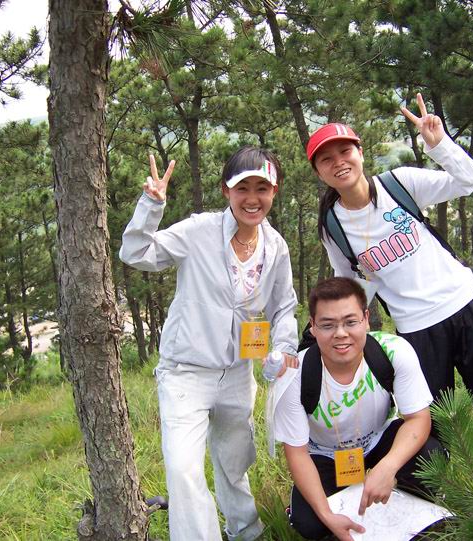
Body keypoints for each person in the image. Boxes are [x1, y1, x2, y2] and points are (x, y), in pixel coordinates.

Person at [305, 94, 473, 434]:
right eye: (326, 159)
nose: (339, 162)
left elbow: (470, 181)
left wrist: (439, 145)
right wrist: (327, 328)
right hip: (416, 331)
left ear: (360, 153)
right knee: (432, 429)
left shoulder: (399, 184)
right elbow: (349, 283)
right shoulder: (333, 226)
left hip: (466, 306)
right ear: (319, 172)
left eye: (345, 151)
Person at [119, 147, 299, 541]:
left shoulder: (275, 246)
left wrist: (283, 348)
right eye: (242, 188)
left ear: (275, 191)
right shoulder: (198, 231)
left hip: (237, 373)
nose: (252, 198)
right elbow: (135, 252)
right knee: (183, 471)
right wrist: (152, 205)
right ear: (225, 191)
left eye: (262, 188)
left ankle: (245, 531)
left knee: (234, 462)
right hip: (185, 371)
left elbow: (284, 305)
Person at [272, 277, 443, 541]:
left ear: (365, 319)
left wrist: (388, 467)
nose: (341, 334)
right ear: (313, 327)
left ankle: (405, 512)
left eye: (350, 322)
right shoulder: (295, 375)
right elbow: (297, 453)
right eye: (328, 325)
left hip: (378, 439)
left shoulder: (393, 351)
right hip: (324, 453)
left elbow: (418, 419)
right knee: (309, 523)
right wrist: (326, 514)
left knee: (431, 456)